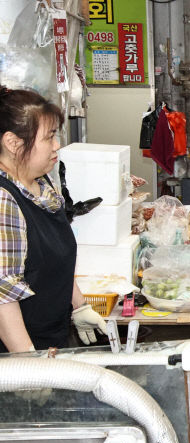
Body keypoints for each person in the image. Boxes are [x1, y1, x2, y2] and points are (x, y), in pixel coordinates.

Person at [0, 86, 108, 353]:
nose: (56, 145)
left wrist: (79, 305)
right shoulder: (4, 200)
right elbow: (2, 298)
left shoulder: (42, 182)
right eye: (48, 137)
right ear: (13, 143)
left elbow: (54, 259)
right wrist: (31, 366)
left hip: (50, 339)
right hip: (19, 352)